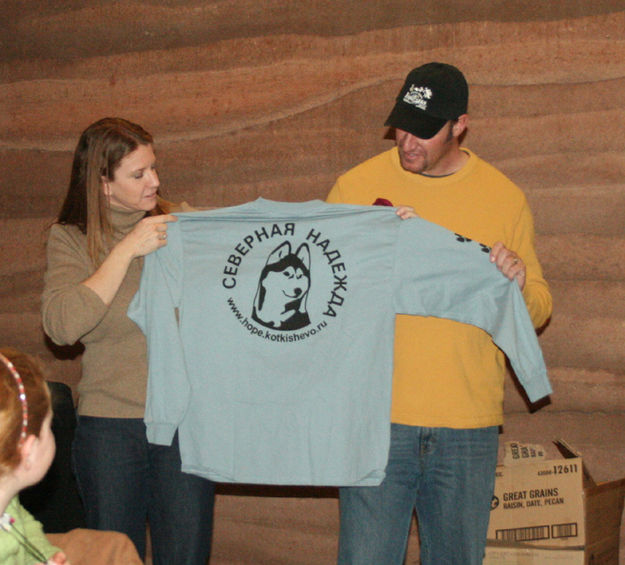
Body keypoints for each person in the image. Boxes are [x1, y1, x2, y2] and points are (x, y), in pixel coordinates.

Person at [327, 62, 552, 564]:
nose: (408, 141)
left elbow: (537, 308)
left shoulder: (503, 197)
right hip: (374, 420)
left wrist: (515, 283)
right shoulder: (354, 187)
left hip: (466, 427)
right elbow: (324, 298)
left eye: (424, 131)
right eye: (402, 125)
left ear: (459, 124)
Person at [41, 118, 215, 564]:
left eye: (154, 168)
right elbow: (61, 326)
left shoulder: (182, 222)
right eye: (138, 175)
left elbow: (261, 233)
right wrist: (126, 249)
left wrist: (376, 221)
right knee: (113, 556)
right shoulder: (70, 238)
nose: (154, 182)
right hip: (109, 430)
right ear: (103, 184)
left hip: (182, 425)